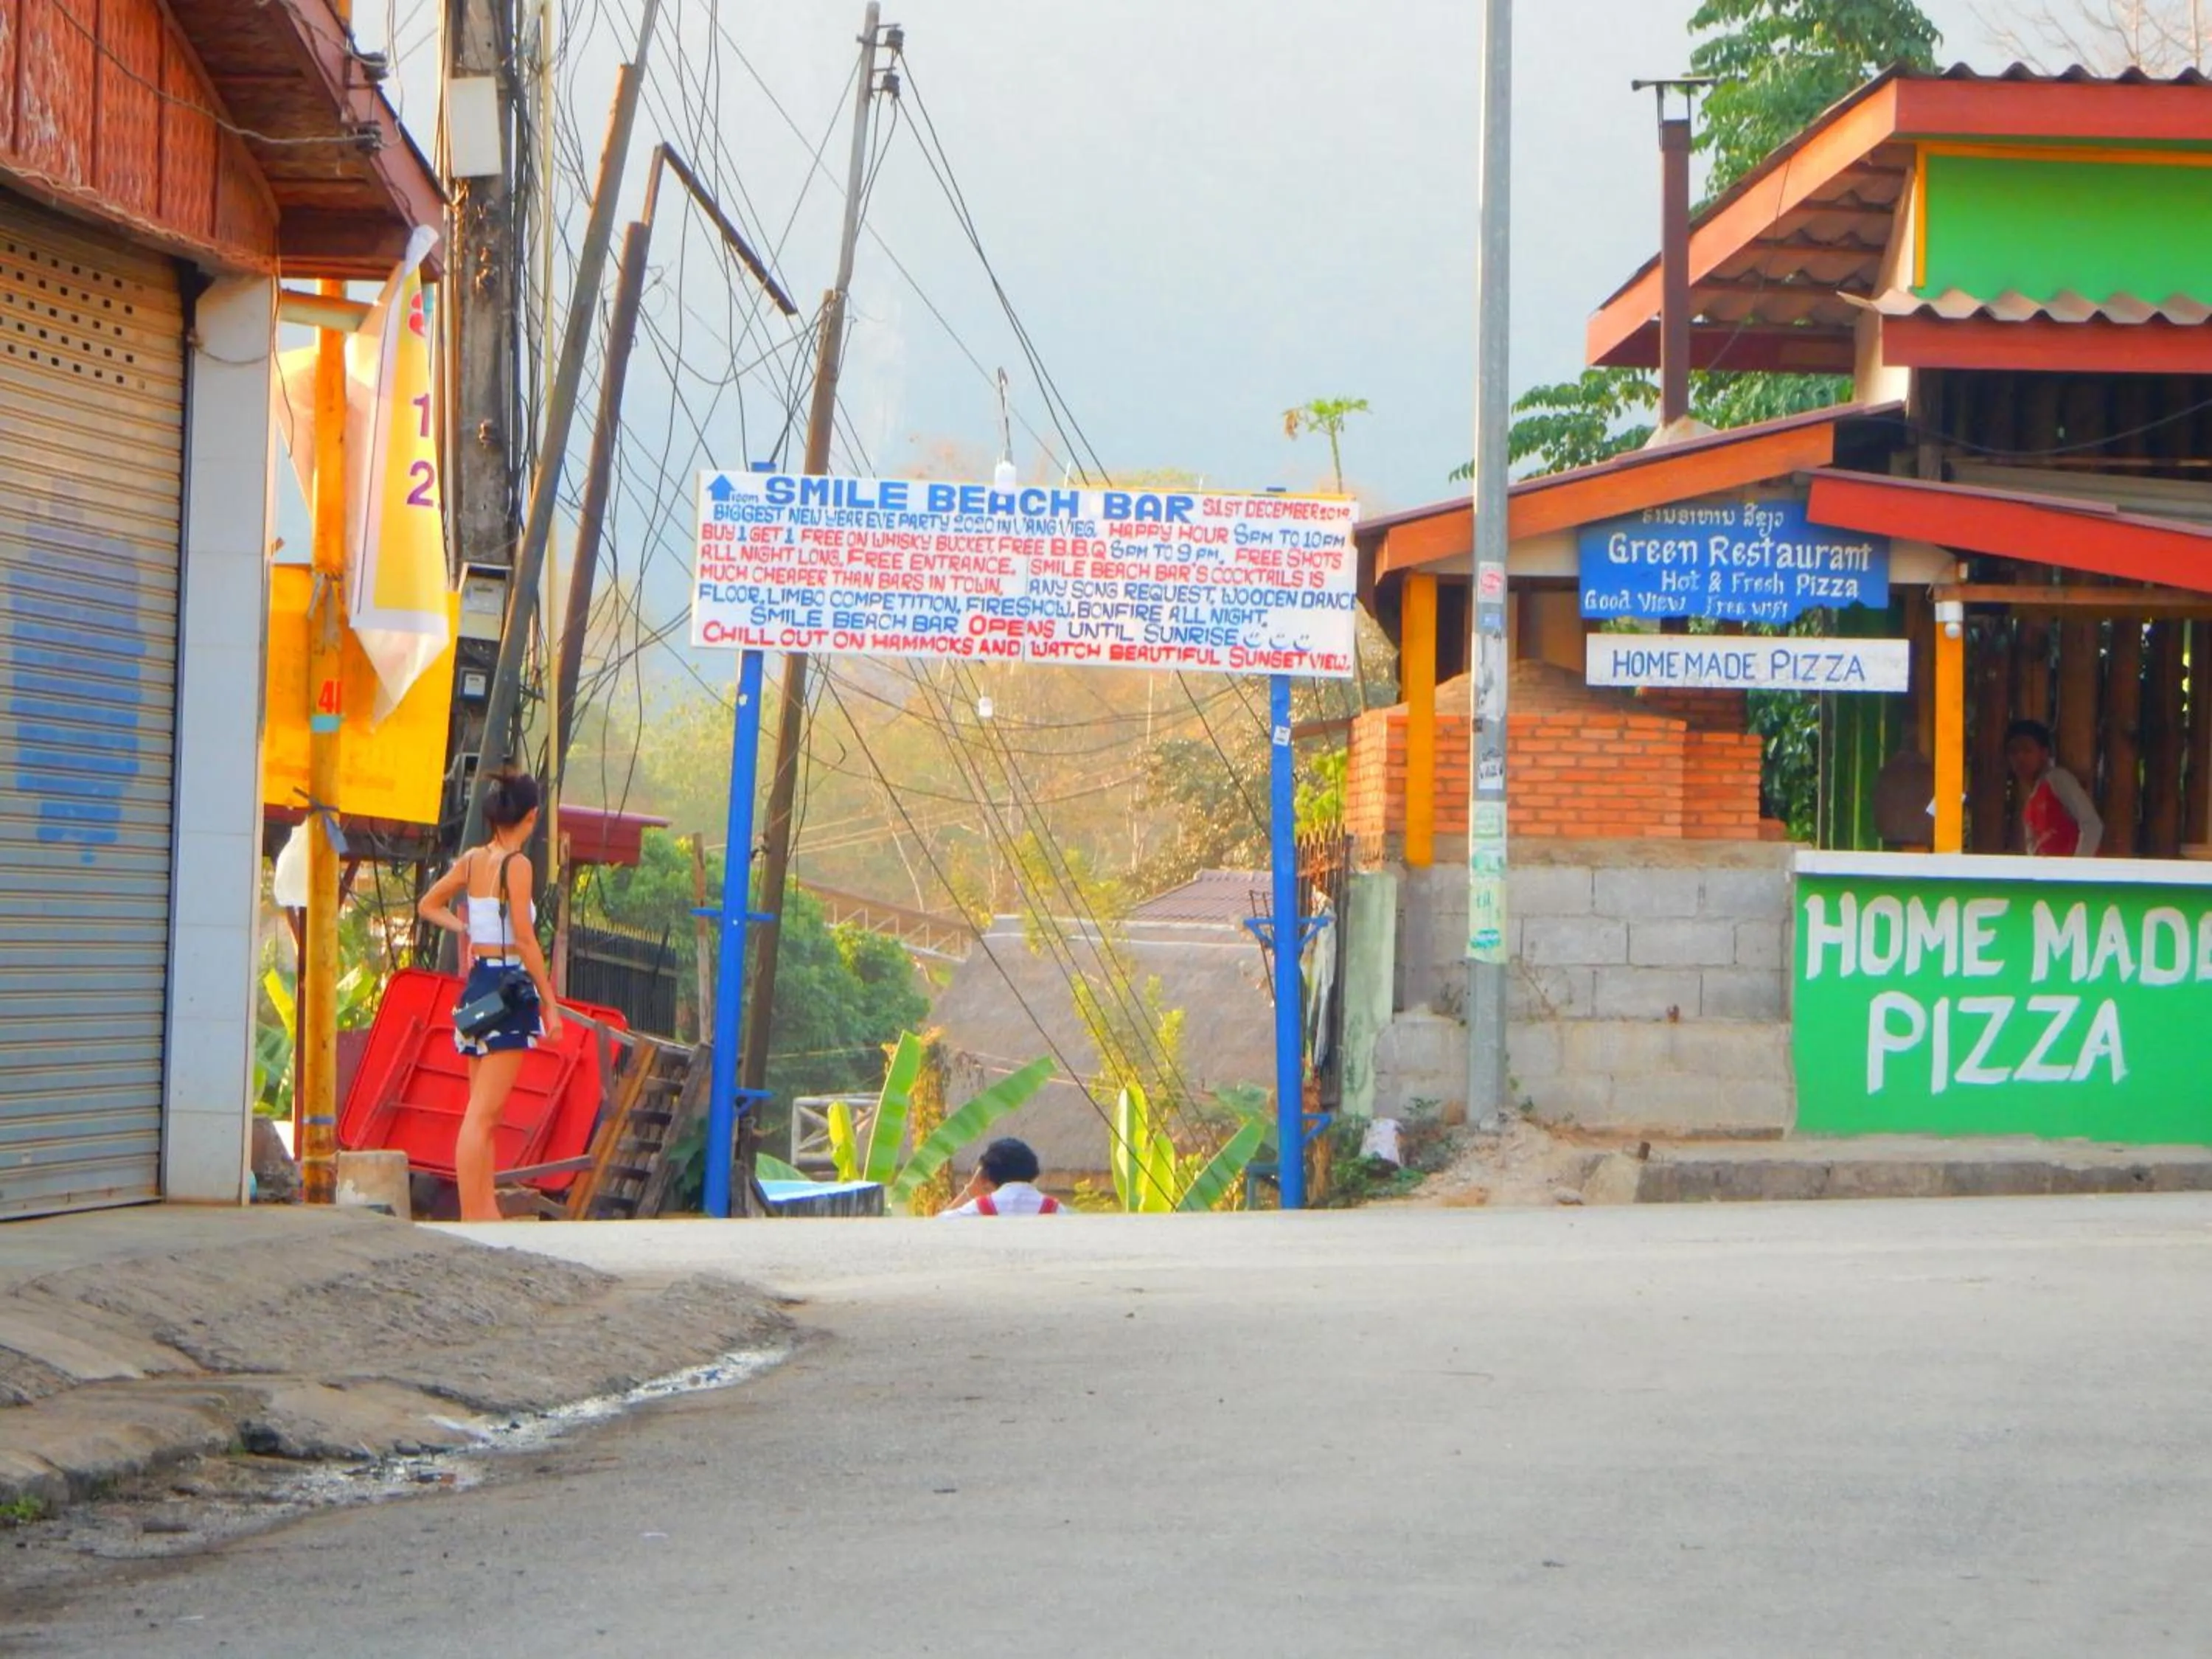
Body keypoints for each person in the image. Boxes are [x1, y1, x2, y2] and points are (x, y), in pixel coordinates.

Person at [417, 773, 564, 1220]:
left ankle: (482, 1210)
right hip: (508, 988)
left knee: (481, 1114)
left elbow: (429, 904)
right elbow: (525, 937)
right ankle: (473, 1214)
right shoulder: (517, 865)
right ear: (532, 816)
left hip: (478, 988)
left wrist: (465, 929)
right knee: (483, 1116)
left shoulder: (473, 859)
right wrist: (550, 1004)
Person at [2006, 719, 2103, 858]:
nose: (2019, 757)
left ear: (2044, 753)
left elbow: (2092, 824)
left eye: (2027, 749)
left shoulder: (2057, 779)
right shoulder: (2030, 805)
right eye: (2013, 751)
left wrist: (2077, 871)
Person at [940, 1138, 1062, 1217]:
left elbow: (934, 1230)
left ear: (985, 1176)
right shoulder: (1056, 1210)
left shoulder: (976, 1209)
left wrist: (971, 1190)